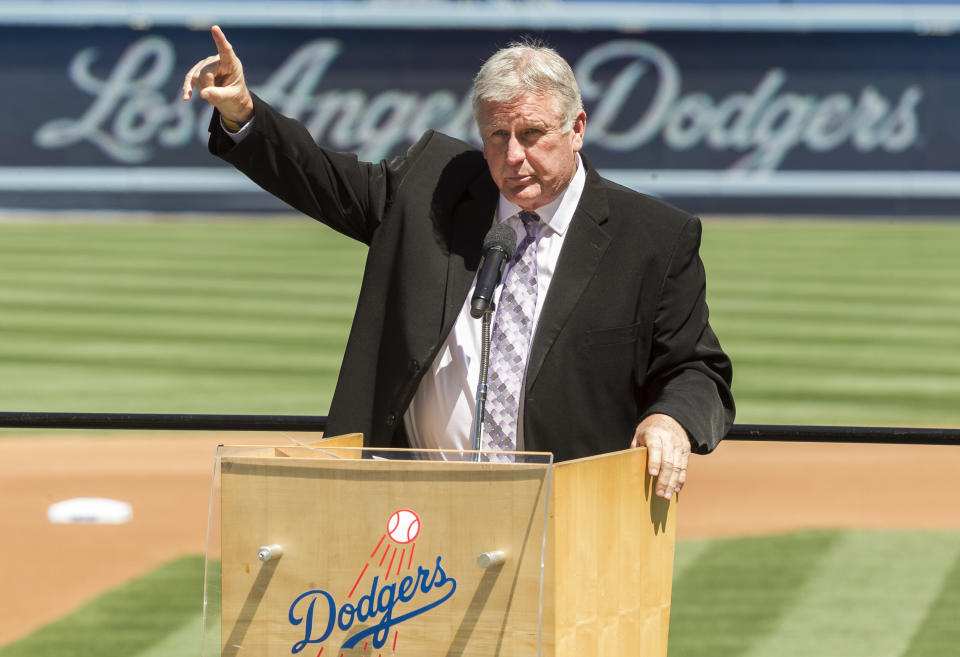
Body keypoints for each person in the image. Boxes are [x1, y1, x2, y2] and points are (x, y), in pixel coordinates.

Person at [183, 26, 734, 500]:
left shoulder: (654, 237)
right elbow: (324, 180)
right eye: (498, 136)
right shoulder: (433, 186)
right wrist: (244, 113)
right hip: (418, 510)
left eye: (533, 134)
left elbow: (697, 368)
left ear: (577, 129)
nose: (514, 156)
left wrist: (671, 419)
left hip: (570, 517)